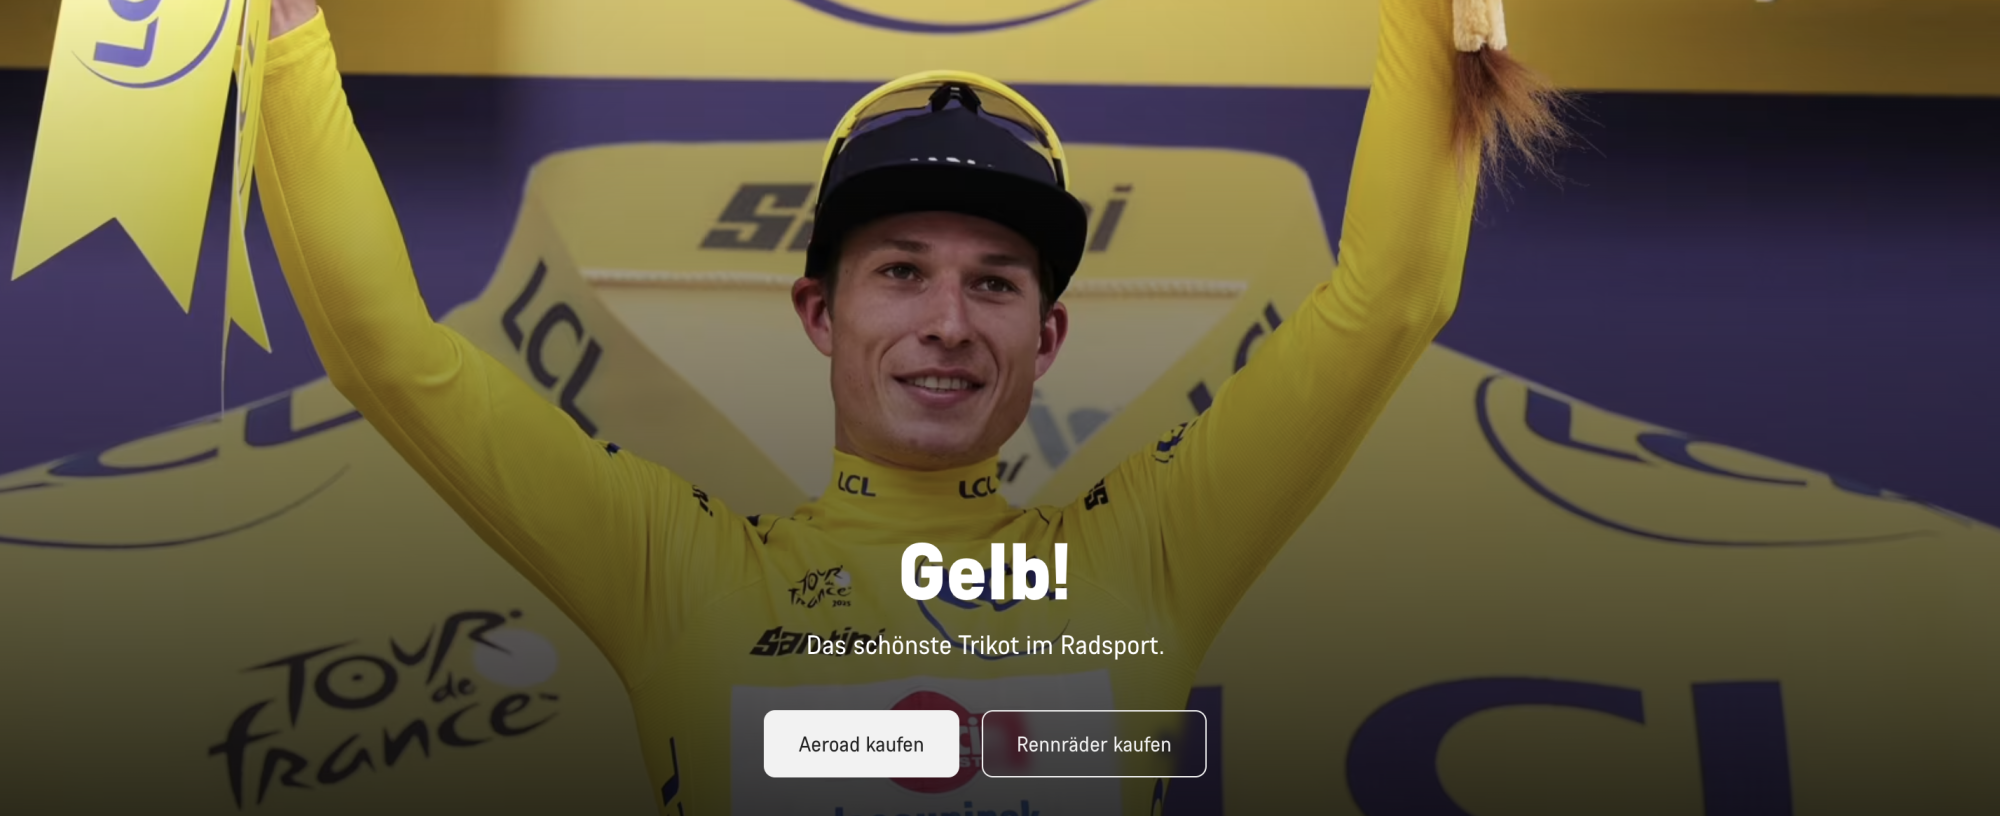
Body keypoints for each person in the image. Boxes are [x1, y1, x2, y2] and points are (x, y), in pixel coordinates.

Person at [256, 0, 1561, 812]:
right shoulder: (675, 568)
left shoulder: (1147, 557)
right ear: (819, 314)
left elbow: (1391, 297)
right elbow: (389, 355)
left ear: (1047, 337)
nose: (948, 321)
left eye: (994, 282)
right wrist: (278, 36)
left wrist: (1426, 13)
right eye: (899, 272)